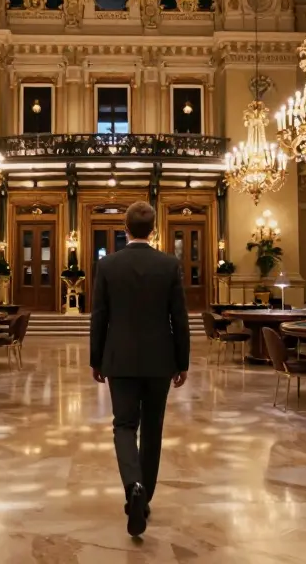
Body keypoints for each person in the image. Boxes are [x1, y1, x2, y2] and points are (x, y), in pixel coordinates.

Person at [89, 201, 190, 538]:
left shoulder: (108, 265)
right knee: (153, 429)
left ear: (125, 227)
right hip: (160, 360)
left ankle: (132, 485)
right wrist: (182, 361)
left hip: (120, 359)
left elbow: (99, 316)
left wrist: (96, 359)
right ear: (154, 229)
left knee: (124, 425)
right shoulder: (169, 264)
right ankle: (144, 498)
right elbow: (179, 318)